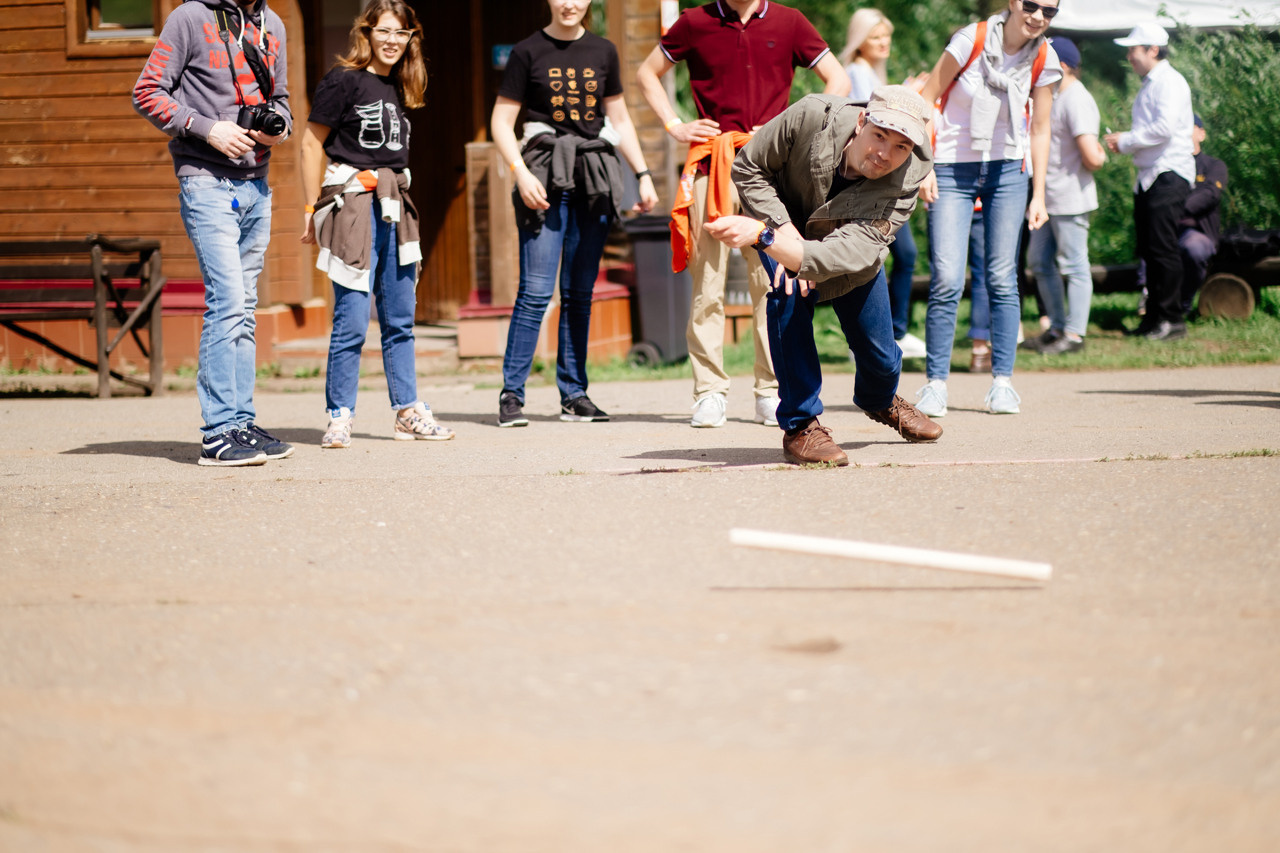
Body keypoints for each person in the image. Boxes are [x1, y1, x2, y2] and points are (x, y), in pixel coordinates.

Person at [636, 0, 849, 429]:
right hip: (711, 165)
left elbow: (838, 79)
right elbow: (646, 72)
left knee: (771, 282)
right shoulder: (695, 21)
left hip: (770, 169)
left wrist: (800, 126)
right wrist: (675, 124)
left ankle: (769, 392)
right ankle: (709, 393)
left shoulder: (790, 21)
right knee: (707, 281)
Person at [704, 85, 943, 466]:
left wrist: (794, 251)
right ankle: (800, 426)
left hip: (847, 258)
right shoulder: (811, 116)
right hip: (784, 229)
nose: (885, 154)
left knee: (882, 357)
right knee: (788, 298)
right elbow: (749, 167)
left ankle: (880, 399)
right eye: (879, 136)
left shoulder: (908, 180)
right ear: (862, 120)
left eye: (900, 146)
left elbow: (857, 247)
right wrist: (780, 231)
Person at [133, 0, 294, 466]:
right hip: (206, 181)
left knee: (244, 307)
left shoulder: (273, 24)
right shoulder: (189, 17)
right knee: (226, 302)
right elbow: (147, 92)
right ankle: (218, 433)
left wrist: (274, 130)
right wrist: (209, 130)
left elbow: (278, 99)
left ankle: (241, 423)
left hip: (255, 185)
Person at [490, 0, 658, 428]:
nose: (570, 3)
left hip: (593, 178)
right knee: (535, 291)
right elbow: (501, 120)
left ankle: (574, 394)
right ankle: (512, 394)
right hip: (543, 175)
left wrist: (642, 174)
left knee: (580, 293)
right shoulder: (528, 51)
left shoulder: (603, 50)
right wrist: (521, 173)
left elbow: (618, 116)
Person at [300, 0, 454, 448]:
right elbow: (312, 145)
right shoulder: (343, 80)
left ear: (411, 39)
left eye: (401, 34)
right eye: (384, 31)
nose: (392, 41)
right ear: (366, 32)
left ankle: (407, 411)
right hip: (354, 207)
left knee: (401, 318)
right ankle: (340, 416)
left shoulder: (401, 85)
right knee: (351, 318)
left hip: (395, 207)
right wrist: (312, 210)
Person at [915, 0, 1061, 417]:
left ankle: (1002, 384)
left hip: (1008, 171)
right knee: (946, 277)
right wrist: (923, 166)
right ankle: (935, 386)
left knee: (1002, 277)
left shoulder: (1045, 56)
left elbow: (1041, 127)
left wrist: (1039, 194)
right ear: (1014, 3)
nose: (1038, 17)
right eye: (1032, 5)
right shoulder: (971, 40)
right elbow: (927, 98)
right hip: (951, 167)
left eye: (1049, 12)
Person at [839, 7, 925, 360]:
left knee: (901, 254)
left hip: (883, 180)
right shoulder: (855, 74)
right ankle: (889, 334)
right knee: (898, 254)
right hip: (868, 184)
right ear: (860, 41)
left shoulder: (873, 71)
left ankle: (892, 332)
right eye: (875, 37)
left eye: (886, 36)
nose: (884, 42)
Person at [1103, 22, 1195, 341]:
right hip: (1151, 176)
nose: (1129, 56)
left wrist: (1126, 140)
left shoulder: (1168, 82)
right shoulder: (1153, 82)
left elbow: (1164, 128)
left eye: (1133, 49)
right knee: (1151, 250)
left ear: (1152, 50)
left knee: (1163, 249)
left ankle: (1172, 320)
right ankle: (1154, 319)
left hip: (1167, 174)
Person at [1022, 36, 1106, 355]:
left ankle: (1074, 335)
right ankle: (1056, 327)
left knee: (1074, 264)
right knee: (1040, 261)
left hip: (1071, 197)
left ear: (1064, 66)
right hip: (1047, 197)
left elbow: (1091, 155)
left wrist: (1101, 155)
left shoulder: (1076, 99)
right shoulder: (1053, 95)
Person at [1177, 115, 1228, 313]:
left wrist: (1174, 210)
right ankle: (1150, 300)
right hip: (1171, 229)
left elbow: (1210, 195)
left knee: (1194, 248)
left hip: (1199, 233)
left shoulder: (1214, 166)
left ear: (1201, 133)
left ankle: (1183, 304)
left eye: (1188, 127)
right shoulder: (1171, 166)